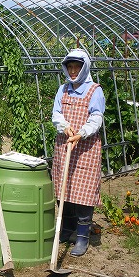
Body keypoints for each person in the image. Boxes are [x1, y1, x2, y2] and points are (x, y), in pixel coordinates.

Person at [51, 48, 105, 257]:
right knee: (64, 190)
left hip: (85, 148)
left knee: (83, 194)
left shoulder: (94, 90)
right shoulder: (63, 89)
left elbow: (96, 118)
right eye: (70, 67)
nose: (73, 71)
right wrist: (64, 127)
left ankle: (82, 236)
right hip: (65, 145)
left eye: (77, 67)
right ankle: (66, 230)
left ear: (84, 68)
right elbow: (56, 113)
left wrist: (81, 133)